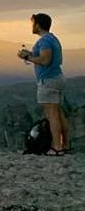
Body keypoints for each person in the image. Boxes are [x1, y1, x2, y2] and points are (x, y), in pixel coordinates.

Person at [18, 13, 69, 156]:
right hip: (57, 77)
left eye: (33, 23)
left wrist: (27, 57)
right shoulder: (52, 39)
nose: (32, 26)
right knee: (59, 114)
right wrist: (30, 54)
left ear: (38, 25)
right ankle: (65, 144)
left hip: (48, 80)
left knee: (51, 115)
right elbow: (45, 57)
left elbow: (45, 60)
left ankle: (57, 147)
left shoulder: (44, 41)